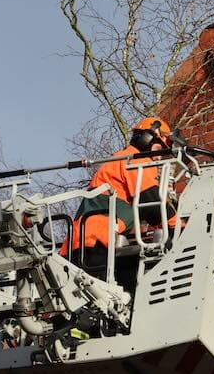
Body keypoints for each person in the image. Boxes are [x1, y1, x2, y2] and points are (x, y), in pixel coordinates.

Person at [62, 116, 177, 279]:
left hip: (78, 243)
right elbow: (152, 204)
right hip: (95, 243)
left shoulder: (119, 159)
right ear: (147, 139)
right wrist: (178, 225)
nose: (158, 157)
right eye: (158, 149)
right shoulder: (136, 160)